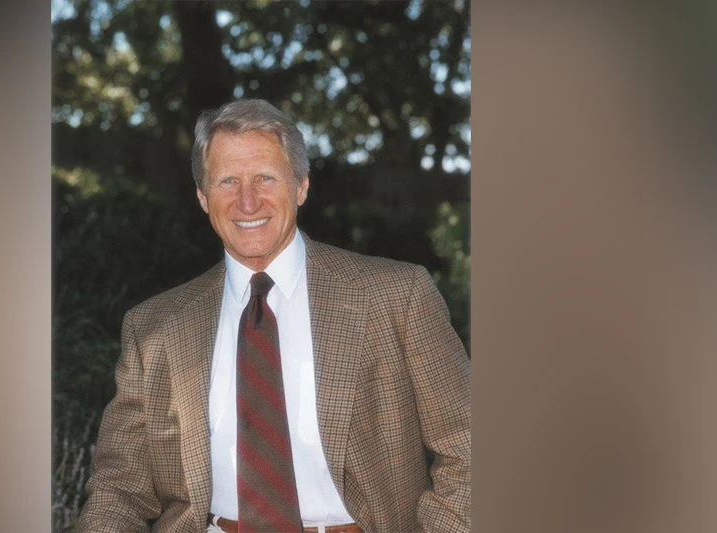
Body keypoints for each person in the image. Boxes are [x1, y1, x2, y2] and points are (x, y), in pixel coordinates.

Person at [75, 99, 470, 533]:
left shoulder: (396, 297)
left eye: (265, 177)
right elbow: (120, 488)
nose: (247, 201)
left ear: (301, 186)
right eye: (227, 181)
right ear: (203, 198)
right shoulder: (153, 329)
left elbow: (469, 450)